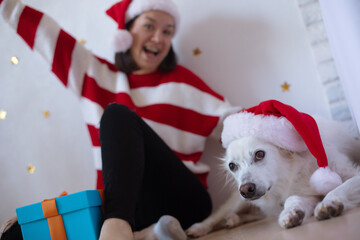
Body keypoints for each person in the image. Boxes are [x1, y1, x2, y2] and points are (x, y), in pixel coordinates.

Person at [0, 0, 241, 239]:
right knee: (15, 234)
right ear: (126, 33)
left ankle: (120, 225)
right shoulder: (95, 76)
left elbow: (239, 126)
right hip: (124, 206)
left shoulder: (185, 84)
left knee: (116, 114)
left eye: (167, 32)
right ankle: (147, 233)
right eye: (149, 26)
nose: (159, 38)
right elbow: (46, 35)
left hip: (184, 202)